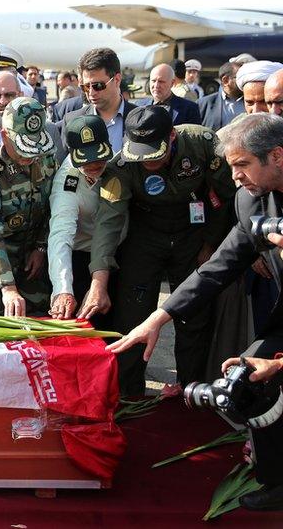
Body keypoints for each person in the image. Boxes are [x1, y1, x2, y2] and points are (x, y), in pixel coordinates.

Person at [106, 113, 283, 510]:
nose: (233, 176)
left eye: (241, 165)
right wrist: (158, 317)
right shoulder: (249, 199)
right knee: (250, 378)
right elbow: (217, 268)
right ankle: (276, 480)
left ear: (277, 156)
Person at [85, 106, 236, 395]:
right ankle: (129, 393)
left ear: (172, 135)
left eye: (155, 152)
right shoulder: (121, 167)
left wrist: (211, 244)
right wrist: (98, 279)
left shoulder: (202, 143)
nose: (147, 162)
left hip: (194, 233)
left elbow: (229, 195)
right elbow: (108, 223)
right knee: (133, 316)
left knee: (193, 314)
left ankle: (191, 389)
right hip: (146, 236)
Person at [0, 97, 56, 317]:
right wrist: (7, 287)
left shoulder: (45, 159)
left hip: (32, 256)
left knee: (40, 318)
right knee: (1, 321)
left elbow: (52, 208)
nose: (30, 156)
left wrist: (41, 247)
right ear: (4, 136)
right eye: (23, 148)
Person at [48, 116, 117, 320]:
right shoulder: (67, 183)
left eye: (98, 156)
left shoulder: (120, 163)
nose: (94, 164)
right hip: (83, 256)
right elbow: (60, 236)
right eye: (85, 159)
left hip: (120, 250)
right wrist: (63, 289)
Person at [61, 48, 131, 154]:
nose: (91, 93)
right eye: (86, 87)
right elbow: (66, 167)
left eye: (98, 86)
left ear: (117, 80)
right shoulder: (72, 121)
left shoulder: (140, 118)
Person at [0, 71, 64, 162]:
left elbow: (58, 170)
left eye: (9, 95)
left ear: (21, 95)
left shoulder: (49, 129)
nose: (3, 102)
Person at [198, 61, 244, 131]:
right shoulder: (203, 104)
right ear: (225, 80)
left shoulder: (253, 102)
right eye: (240, 78)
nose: (244, 81)